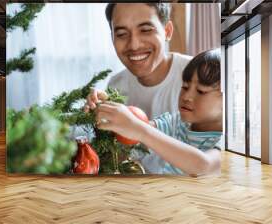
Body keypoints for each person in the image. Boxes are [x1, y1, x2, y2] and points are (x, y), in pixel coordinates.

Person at [95, 50, 223, 176]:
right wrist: (108, 105)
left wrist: (140, 130)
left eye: (201, 91)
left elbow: (203, 166)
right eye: (185, 87)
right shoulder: (177, 122)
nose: (187, 96)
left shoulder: (227, 141)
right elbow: (138, 127)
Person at [84, 3, 192, 119]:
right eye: (121, 34)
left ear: (167, 31)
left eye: (145, 30)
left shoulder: (199, 78)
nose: (134, 45)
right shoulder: (116, 86)